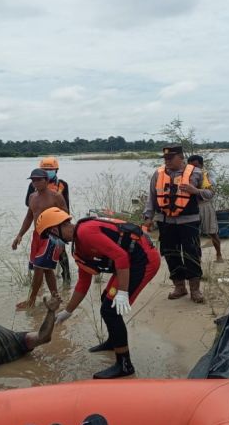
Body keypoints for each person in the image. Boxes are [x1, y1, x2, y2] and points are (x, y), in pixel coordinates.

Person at [36, 208, 160, 379]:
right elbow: (83, 282)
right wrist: (68, 312)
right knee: (106, 299)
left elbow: (121, 257)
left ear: (57, 227)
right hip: (129, 263)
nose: (52, 241)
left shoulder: (86, 233)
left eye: (50, 235)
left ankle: (124, 364)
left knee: (110, 310)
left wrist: (123, 292)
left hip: (144, 260)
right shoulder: (78, 246)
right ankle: (113, 342)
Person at [142, 144, 212, 303]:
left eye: (170, 158)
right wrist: (148, 217)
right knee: (170, 254)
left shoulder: (197, 173)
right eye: (165, 158)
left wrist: (195, 191)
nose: (167, 161)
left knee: (192, 254)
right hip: (165, 222)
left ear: (181, 157)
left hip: (189, 221)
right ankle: (179, 287)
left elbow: (210, 194)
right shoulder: (158, 174)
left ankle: (195, 290)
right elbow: (151, 197)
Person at [12, 168, 68, 309]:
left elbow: (66, 217)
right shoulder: (32, 197)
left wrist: (62, 240)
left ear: (46, 180)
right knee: (47, 269)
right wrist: (19, 235)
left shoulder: (56, 197)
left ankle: (31, 300)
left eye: (38, 179)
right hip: (37, 235)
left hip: (52, 236)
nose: (35, 182)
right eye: (33, 180)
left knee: (39, 267)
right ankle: (56, 298)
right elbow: (29, 217)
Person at [25, 157, 71, 281]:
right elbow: (29, 207)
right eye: (45, 169)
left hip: (57, 227)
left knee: (61, 253)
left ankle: (66, 278)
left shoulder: (62, 185)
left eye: (51, 169)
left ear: (56, 170)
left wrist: (65, 229)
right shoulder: (33, 186)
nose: (48, 171)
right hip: (40, 228)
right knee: (39, 262)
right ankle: (41, 287)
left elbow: (66, 207)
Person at [187, 155, 223, 262]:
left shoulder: (206, 175)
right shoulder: (185, 176)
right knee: (194, 235)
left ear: (201, 165)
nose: (194, 169)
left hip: (205, 205)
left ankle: (219, 255)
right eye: (191, 166)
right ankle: (198, 258)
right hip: (191, 207)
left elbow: (211, 192)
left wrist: (197, 190)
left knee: (212, 232)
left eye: (196, 166)